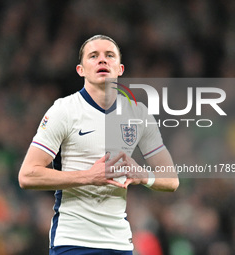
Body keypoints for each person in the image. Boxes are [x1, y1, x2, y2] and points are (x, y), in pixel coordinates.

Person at [18, 35, 179, 255]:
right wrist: (89, 176)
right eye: (93, 56)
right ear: (80, 70)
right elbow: (27, 175)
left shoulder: (138, 114)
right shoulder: (64, 110)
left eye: (109, 55)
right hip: (73, 241)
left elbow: (171, 179)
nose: (102, 60)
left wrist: (142, 175)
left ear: (120, 69)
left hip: (119, 243)